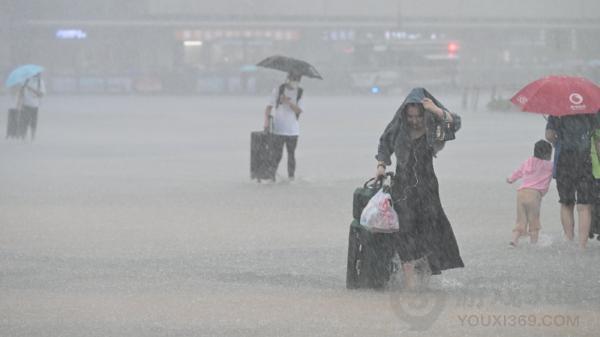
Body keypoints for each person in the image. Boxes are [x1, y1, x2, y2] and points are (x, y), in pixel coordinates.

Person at [375, 88, 464, 289]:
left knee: (428, 231)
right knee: (405, 231)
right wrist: (381, 165)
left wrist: (435, 109)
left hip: (428, 187)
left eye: (418, 116)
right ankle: (409, 286)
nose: (414, 120)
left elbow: (454, 124)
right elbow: (384, 143)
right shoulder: (399, 126)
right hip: (403, 187)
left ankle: (423, 278)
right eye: (410, 116)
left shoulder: (433, 125)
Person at [545, 114, 596, 248]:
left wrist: (557, 138)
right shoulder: (590, 109)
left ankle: (568, 239)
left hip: (564, 160)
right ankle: (582, 245)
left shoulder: (557, 110)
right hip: (585, 160)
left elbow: (549, 136)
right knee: (584, 205)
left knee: (566, 202)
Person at [506, 140, 553, 246]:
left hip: (521, 193)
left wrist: (510, 179)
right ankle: (533, 244)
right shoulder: (549, 165)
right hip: (534, 195)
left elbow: (518, 172)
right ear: (548, 154)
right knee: (534, 222)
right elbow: (557, 173)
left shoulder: (528, 161)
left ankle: (513, 240)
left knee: (520, 221)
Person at [263, 72, 304, 181]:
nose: (296, 82)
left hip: (293, 130)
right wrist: (266, 122)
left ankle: (291, 178)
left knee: (291, 155)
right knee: (277, 155)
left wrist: (288, 102)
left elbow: (299, 110)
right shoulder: (278, 89)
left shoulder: (299, 92)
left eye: (298, 80)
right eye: (294, 79)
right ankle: (271, 178)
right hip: (279, 129)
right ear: (288, 78)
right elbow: (268, 107)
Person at [19, 73, 45, 140]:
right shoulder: (25, 80)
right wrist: (19, 103)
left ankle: (32, 137)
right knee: (24, 122)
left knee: (33, 122)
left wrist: (31, 89)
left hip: (34, 105)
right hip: (25, 104)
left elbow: (41, 94)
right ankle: (23, 137)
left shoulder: (40, 82)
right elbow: (21, 93)